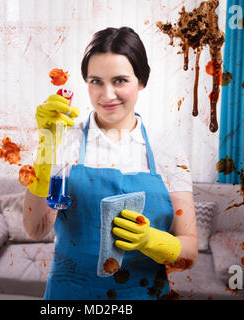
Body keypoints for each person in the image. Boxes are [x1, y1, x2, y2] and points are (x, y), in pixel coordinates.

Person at [23, 26, 197, 300]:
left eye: (120, 80)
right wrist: (46, 147)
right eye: (96, 81)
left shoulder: (167, 149)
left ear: (141, 81)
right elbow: (36, 228)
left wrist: (151, 241)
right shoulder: (64, 138)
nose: (106, 95)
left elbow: (189, 250)